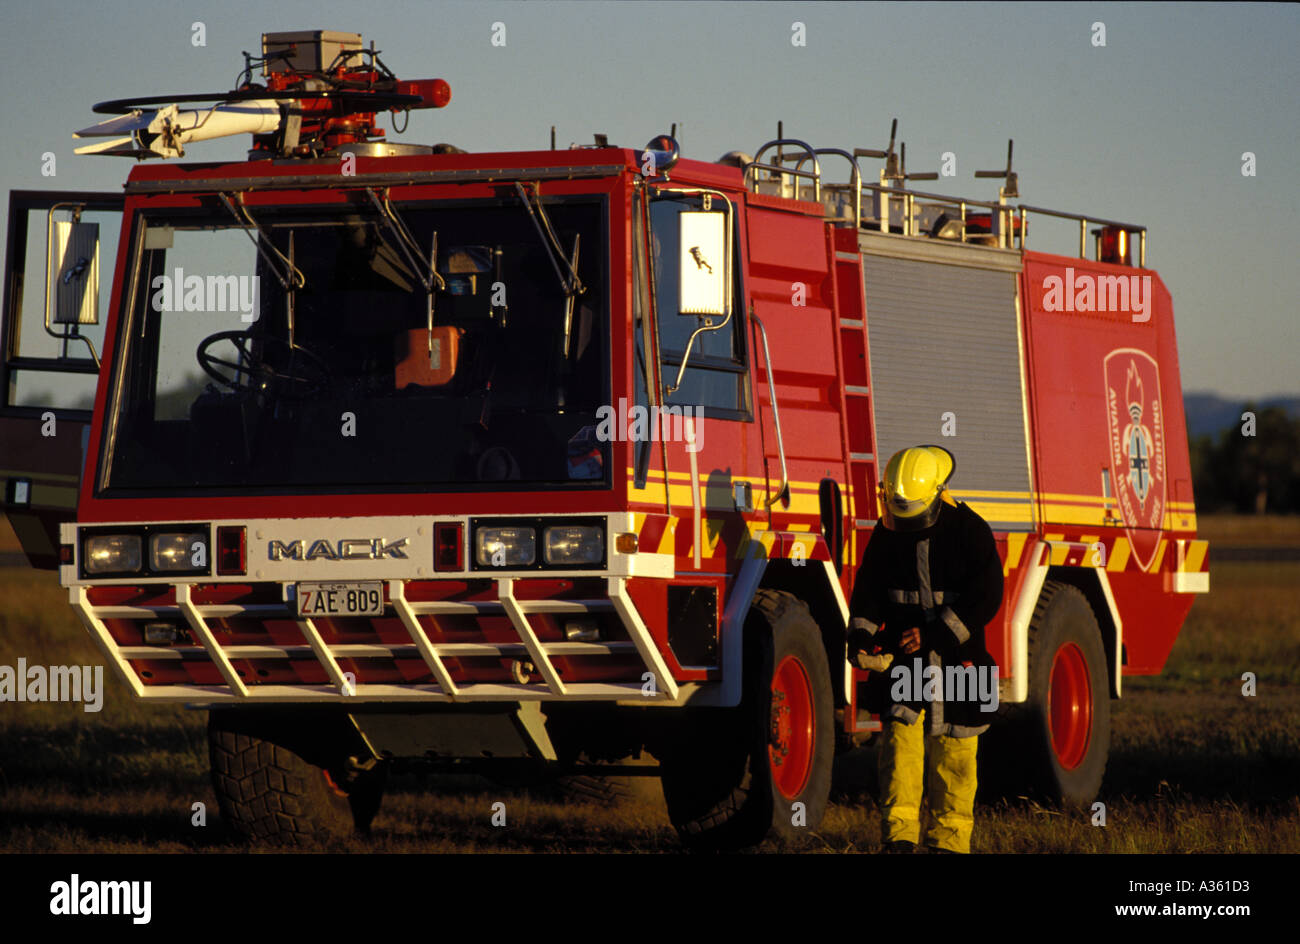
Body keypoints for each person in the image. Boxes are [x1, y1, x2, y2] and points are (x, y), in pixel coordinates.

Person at [846, 445, 1004, 854]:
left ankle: (949, 843)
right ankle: (898, 840)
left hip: (961, 663)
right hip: (906, 663)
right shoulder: (888, 530)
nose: (905, 522)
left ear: (937, 493)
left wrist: (934, 636)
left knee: (955, 753)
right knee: (900, 751)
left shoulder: (970, 530)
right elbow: (869, 589)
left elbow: (986, 597)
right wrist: (861, 636)